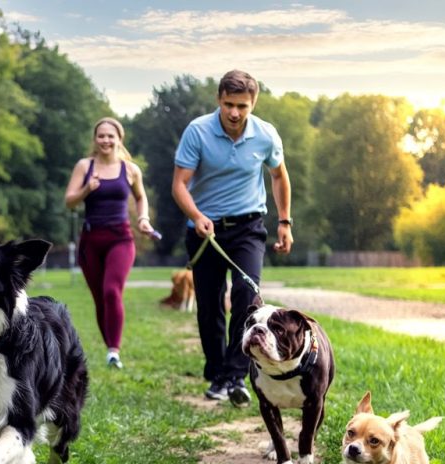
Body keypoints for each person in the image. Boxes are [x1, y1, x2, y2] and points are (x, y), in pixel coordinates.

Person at [171, 70, 293, 408]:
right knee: (209, 305)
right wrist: (196, 216)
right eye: (228, 104)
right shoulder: (198, 132)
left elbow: (279, 176)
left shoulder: (266, 135)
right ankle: (217, 374)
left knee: (246, 294)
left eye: (242, 106)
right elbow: (179, 184)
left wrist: (284, 221)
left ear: (253, 103)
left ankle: (236, 375)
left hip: (248, 227)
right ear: (218, 100)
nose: (235, 113)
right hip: (204, 230)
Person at [65, 117, 156, 369]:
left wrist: (144, 219)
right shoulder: (85, 166)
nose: (105, 140)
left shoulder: (130, 169)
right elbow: (69, 201)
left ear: (119, 139)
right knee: (99, 298)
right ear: (95, 139)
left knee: (111, 291)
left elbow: (141, 197)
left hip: (121, 238)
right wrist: (87, 189)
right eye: (101, 136)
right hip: (90, 240)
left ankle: (114, 351)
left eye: (110, 136)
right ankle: (110, 348)